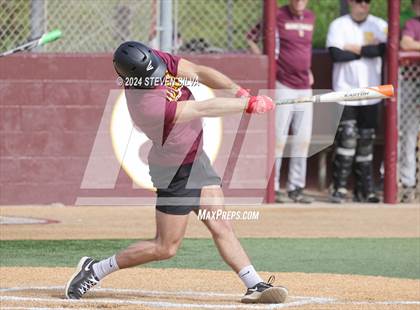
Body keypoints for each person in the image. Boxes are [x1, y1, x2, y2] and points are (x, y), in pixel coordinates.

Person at [64, 41, 288, 304]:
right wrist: (248, 107)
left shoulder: (154, 59)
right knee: (165, 247)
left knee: (221, 224)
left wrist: (238, 92)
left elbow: (199, 71)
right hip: (175, 171)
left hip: (197, 160)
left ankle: (254, 284)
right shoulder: (145, 106)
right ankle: (96, 269)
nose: (159, 76)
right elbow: (201, 109)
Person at [247, 0, 315, 204]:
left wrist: (308, 70)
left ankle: (296, 187)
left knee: (303, 138)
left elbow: (305, 49)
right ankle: (273, 186)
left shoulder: (311, 17)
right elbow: (251, 38)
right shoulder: (277, 14)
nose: (299, 2)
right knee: (279, 137)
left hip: (304, 84)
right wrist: (265, 63)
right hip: (283, 83)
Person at [326, 0, 387, 203]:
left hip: (371, 92)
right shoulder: (339, 24)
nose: (363, 5)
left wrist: (356, 49)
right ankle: (340, 187)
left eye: (367, 2)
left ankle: (365, 190)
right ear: (350, 2)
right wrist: (367, 50)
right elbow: (336, 55)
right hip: (346, 92)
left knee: (366, 141)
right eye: (359, 1)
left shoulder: (379, 24)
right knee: (347, 140)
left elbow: (383, 50)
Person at [399, 0, 420, 202]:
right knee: (409, 134)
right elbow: (406, 43)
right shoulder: (413, 24)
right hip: (413, 85)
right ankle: (408, 183)